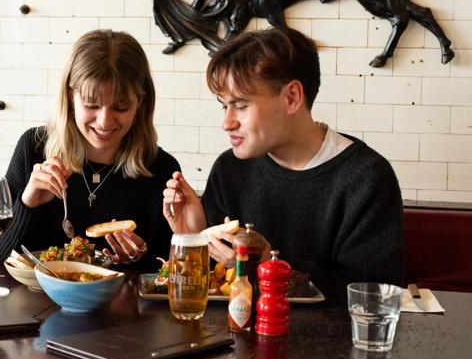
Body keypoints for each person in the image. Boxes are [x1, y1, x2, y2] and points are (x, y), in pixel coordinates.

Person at [163, 27, 404, 299]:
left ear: (291, 97)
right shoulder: (229, 169)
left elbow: (375, 296)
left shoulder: (365, 177)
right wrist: (193, 237)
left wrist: (272, 266)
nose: (226, 123)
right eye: (224, 106)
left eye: (240, 106)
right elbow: (216, 289)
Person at [0, 29, 180, 271]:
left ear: (140, 102)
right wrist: (27, 204)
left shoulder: (162, 169)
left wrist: (141, 257)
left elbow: (168, 277)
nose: (104, 121)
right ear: (71, 97)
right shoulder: (33, 148)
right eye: (92, 105)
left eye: (120, 107)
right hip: (33, 307)